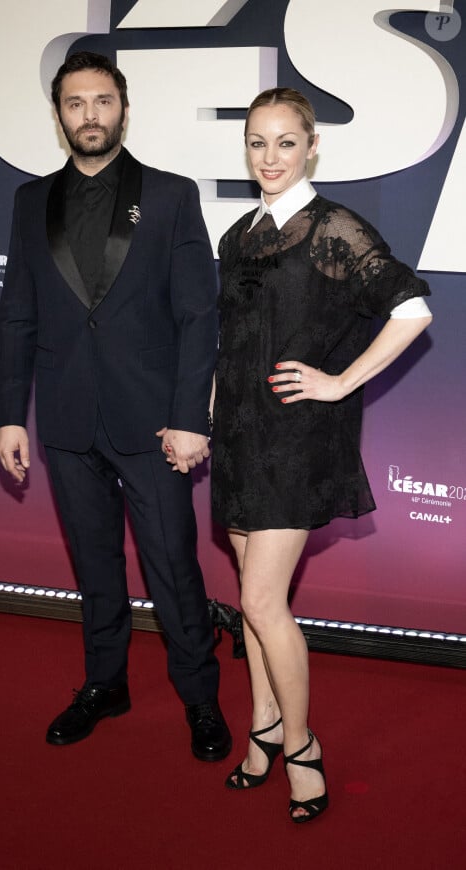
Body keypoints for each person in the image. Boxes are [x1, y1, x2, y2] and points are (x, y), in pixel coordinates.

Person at [0, 51, 231, 762]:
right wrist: (11, 412)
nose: (89, 114)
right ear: (58, 113)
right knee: (95, 566)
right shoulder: (30, 202)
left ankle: (199, 697)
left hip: (153, 423)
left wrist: (192, 417)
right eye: (75, 103)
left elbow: (199, 316)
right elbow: (17, 314)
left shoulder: (168, 195)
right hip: (65, 421)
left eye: (102, 100)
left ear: (123, 109)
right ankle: (105, 684)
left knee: (172, 567)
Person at [209, 87, 432, 821]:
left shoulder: (335, 228)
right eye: (256, 142)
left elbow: (412, 309)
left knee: (263, 601)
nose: (269, 157)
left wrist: (340, 381)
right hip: (242, 435)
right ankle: (264, 724)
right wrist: (211, 416)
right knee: (249, 596)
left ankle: (302, 747)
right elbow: (232, 341)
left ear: (311, 148)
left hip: (297, 443)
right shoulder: (237, 236)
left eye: (284, 142)